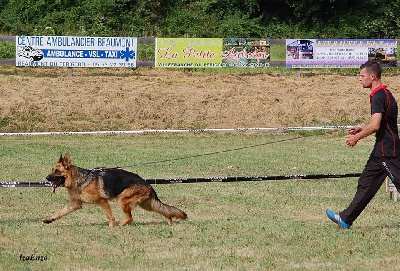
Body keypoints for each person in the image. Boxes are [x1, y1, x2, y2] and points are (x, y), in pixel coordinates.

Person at [326, 60, 400, 229]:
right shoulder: (385, 93)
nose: (359, 79)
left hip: (388, 151)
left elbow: (376, 125)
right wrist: (361, 128)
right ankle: (345, 219)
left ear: (372, 77)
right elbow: (380, 122)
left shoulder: (378, 96)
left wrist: (357, 137)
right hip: (381, 149)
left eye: (362, 76)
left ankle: (346, 218)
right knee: (366, 183)